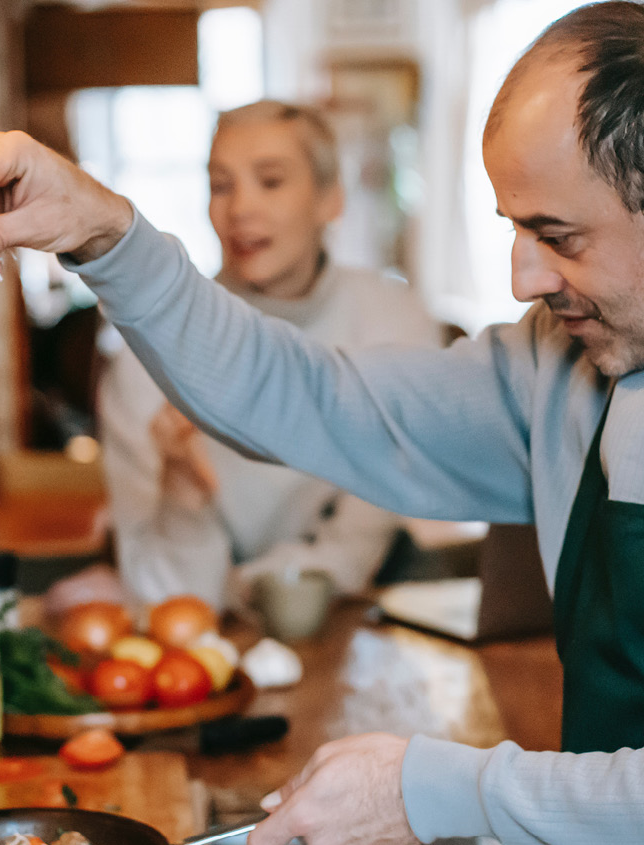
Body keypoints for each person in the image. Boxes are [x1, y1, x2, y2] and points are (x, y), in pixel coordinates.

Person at [0, 3, 644, 845]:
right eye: (513, 229)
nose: (521, 279)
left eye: (560, 236)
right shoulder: (567, 372)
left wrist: (445, 789)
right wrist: (109, 240)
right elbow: (311, 398)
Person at [97, 100, 436, 612]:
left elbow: (355, 547)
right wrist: (184, 496)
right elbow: (165, 599)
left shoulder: (395, 323)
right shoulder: (147, 359)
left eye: (271, 181)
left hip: (344, 621)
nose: (240, 210)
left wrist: (245, 586)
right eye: (221, 185)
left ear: (331, 199)